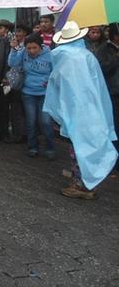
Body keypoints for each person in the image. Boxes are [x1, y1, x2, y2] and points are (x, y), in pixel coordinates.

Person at [43, 21, 118, 199]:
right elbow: (97, 83)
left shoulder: (63, 57)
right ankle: (87, 182)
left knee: (77, 146)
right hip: (92, 106)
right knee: (88, 143)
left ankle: (82, 186)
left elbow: (58, 85)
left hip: (73, 108)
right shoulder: (87, 55)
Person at [8, 33, 54, 158]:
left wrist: (50, 80)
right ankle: (32, 147)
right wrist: (13, 49)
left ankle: (50, 148)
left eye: (35, 48)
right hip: (28, 93)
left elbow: (56, 72)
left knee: (45, 122)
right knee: (31, 121)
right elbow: (12, 63)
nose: (32, 51)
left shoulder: (50, 54)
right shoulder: (23, 52)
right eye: (29, 48)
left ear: (41, 46)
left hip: (45, 94)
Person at [96, 23, 119, 164]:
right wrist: (116, 58)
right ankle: (114, 160)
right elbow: (101, 69)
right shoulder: (104, 48)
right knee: (114, 127)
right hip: (112, 92)